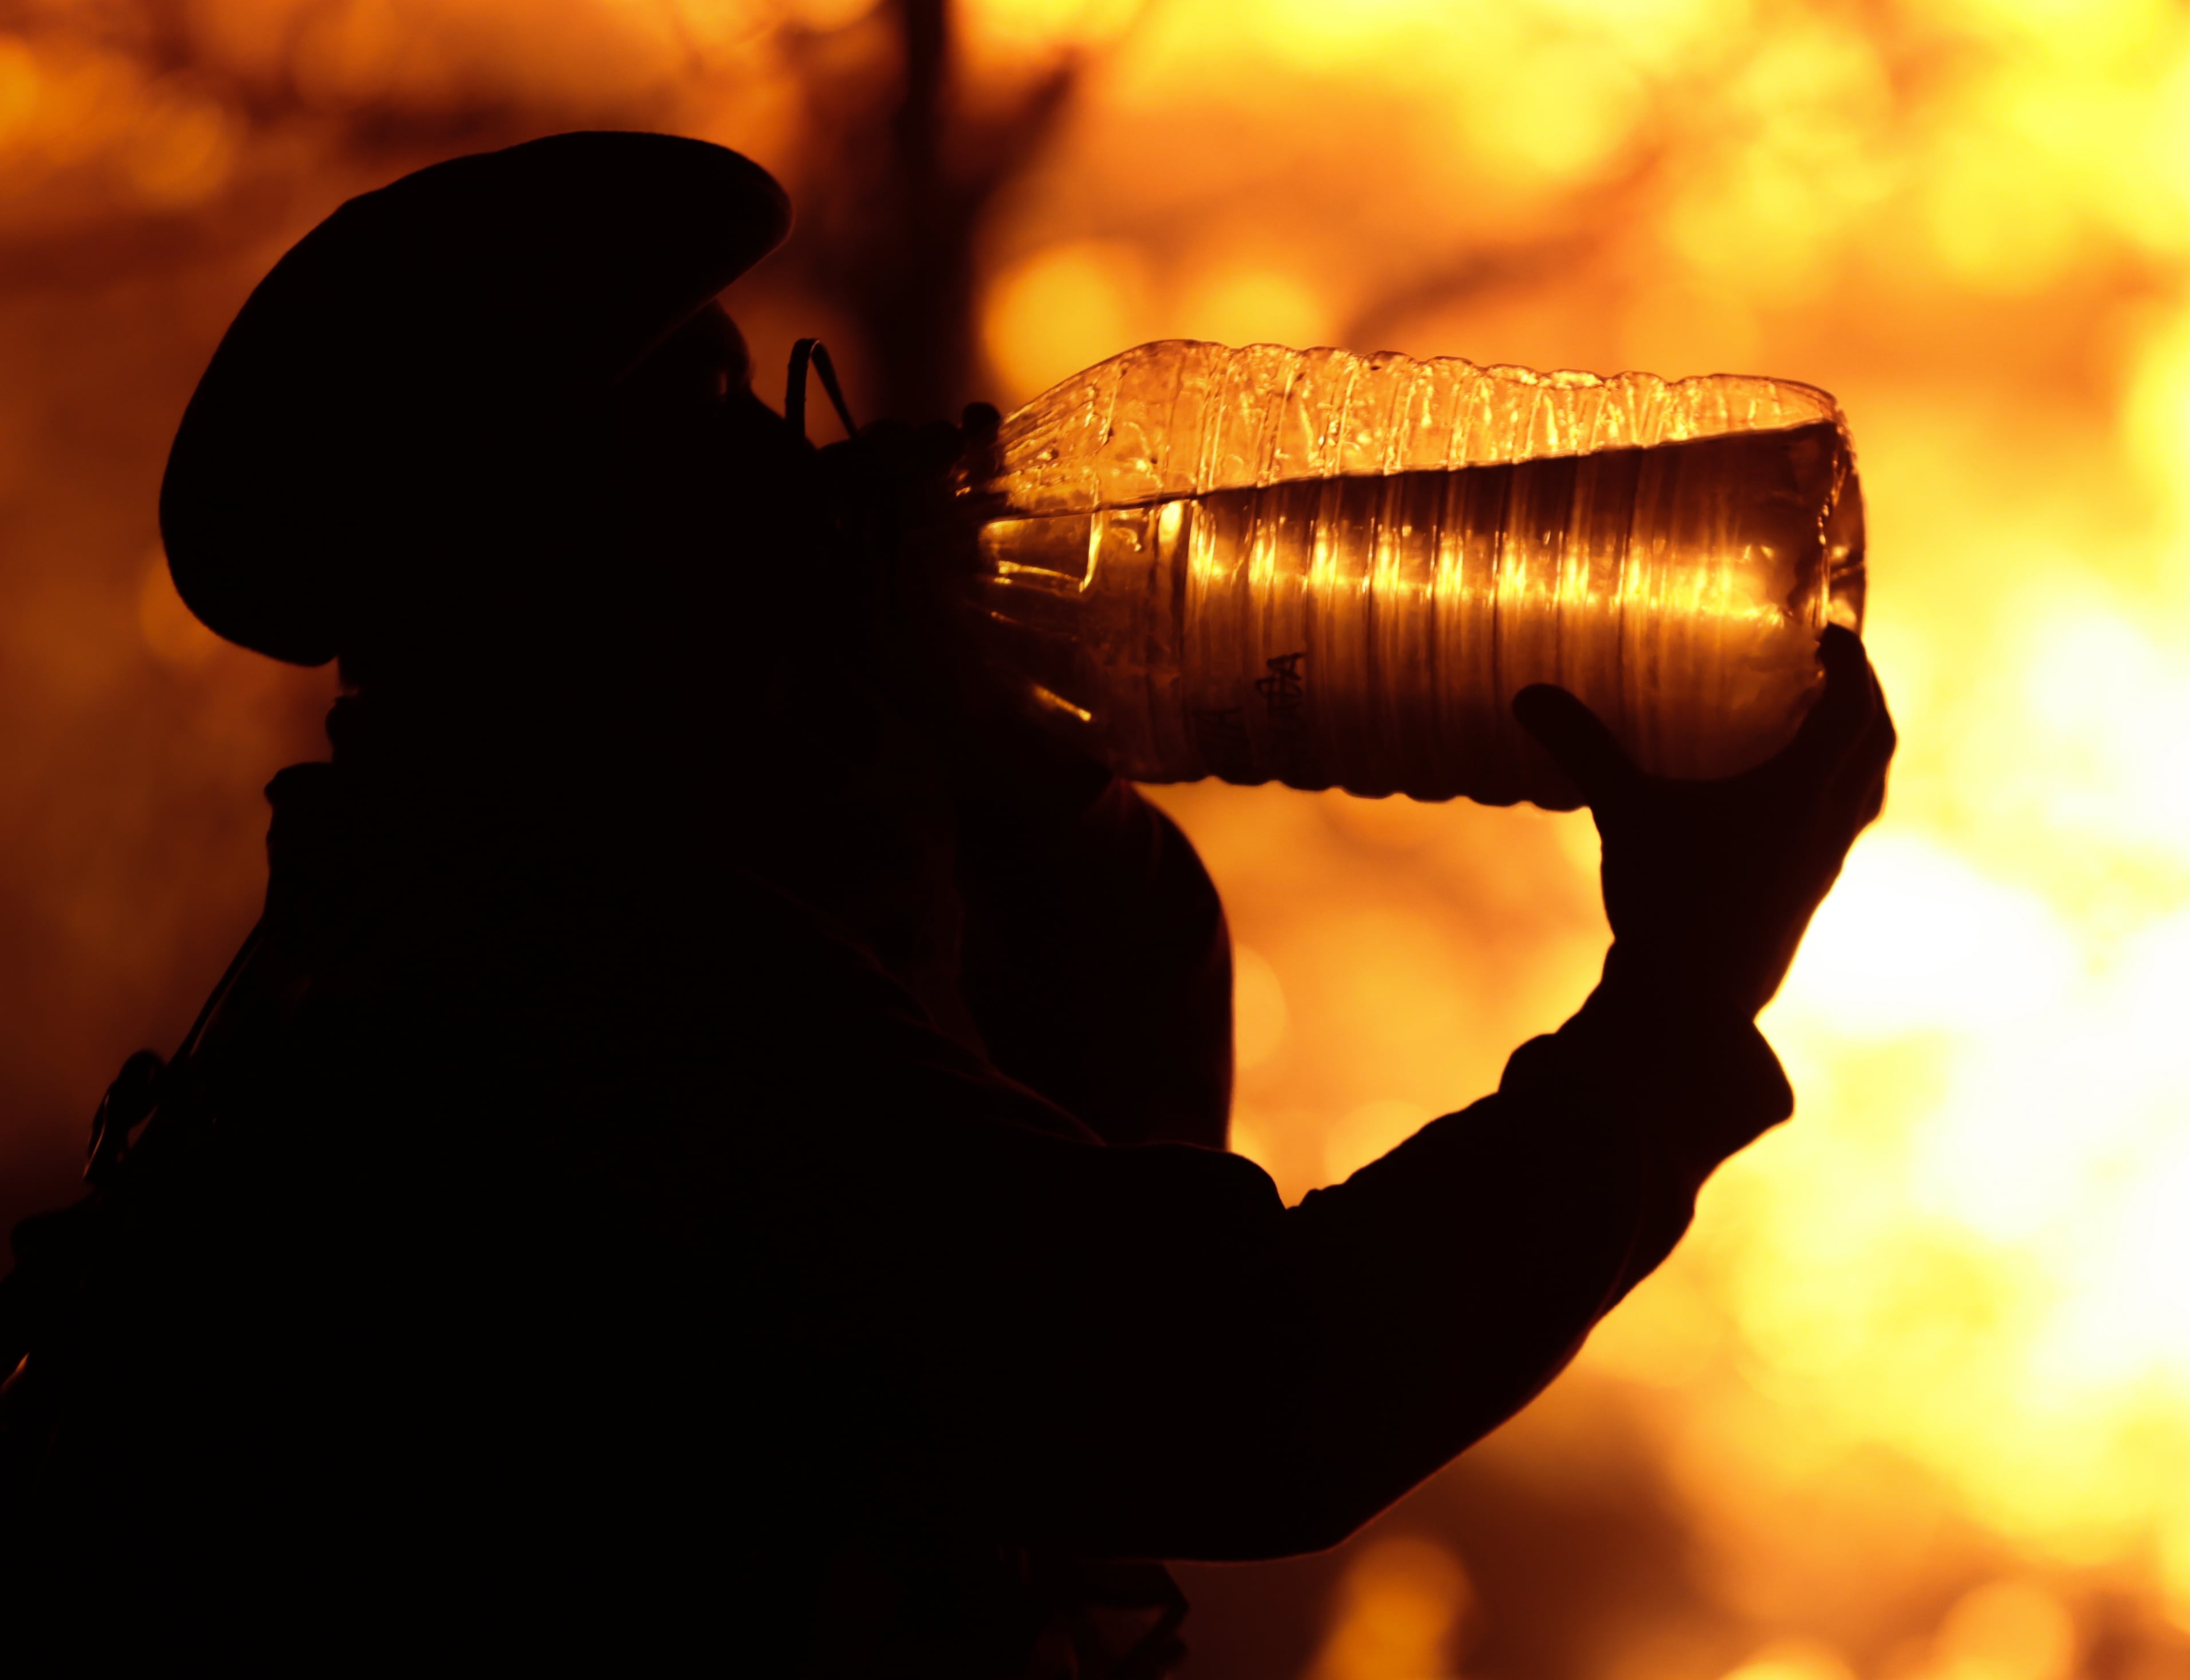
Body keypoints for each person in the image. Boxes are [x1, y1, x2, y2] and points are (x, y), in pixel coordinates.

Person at [0, 133, 1893, 1676]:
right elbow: (1241, 1391)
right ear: (550, 566)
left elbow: (1097, 1172)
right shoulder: (569, 998)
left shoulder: (566, 893)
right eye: (702, 421)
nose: (799, 468)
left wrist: (1032, 801)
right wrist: (1676, 1007)